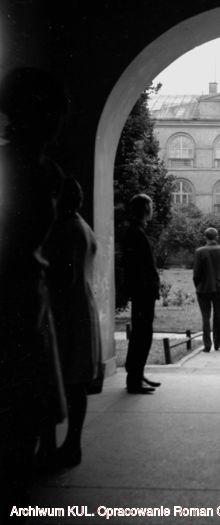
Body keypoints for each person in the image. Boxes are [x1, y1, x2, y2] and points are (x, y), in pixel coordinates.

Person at [0, 68, 68, 511]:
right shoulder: (18, 168)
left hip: (30, 305)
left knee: (25, 426)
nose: (61, 119)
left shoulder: (48, 171)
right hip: (12, 306)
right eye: (55, 109)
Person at [43, 178, 102, 468]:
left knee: (58, 378)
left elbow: (63, 276)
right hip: (81, 307)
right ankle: (71, 444)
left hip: (65, 311)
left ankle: (56, 447)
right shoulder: (83, 226)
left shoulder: (64, 228)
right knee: (75, 379)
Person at [123, 194, 161, 394]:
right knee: (142, 335)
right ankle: (135, 379)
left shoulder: (137, 231)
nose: (153, 209)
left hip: (143, 291)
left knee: (141, 334)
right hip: (143, 292)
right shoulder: (136, 233)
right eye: (151, 206)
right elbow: (137, 267)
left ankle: (137, 374)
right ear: (145, 208)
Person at [193, 228, 220, 352]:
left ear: (205, 237)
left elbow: (196, 273)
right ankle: (217, 343)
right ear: (217, 237)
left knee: (205, 316)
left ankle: (207, 344)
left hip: (203, 287)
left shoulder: (199, 251)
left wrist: (198, 285)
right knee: (218, 316)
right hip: (219, 286)